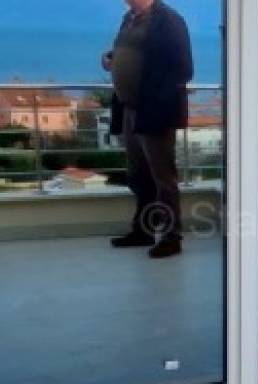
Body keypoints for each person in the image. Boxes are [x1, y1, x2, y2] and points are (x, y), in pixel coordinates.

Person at [103, 0, 193, 259]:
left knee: (163, 178)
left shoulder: (168, 21)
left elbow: (183, 68)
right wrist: (112, 58)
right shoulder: (129, 19)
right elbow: (137, 52)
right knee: (138, 174)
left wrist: (156, 100)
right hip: (129, 109)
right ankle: (143, 230)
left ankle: (171, 237)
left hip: (154, 111)